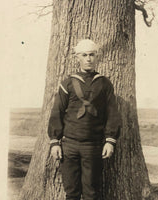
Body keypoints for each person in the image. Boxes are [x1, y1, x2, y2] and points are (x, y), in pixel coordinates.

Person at [48, 39, 121, 200]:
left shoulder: (104, 83)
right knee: (71, 192)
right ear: (77, 57)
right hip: (69, 146)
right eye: (84, 55)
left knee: (91, 193)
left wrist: (110, 140)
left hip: (93, 146)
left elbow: (113, 114)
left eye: (92, 55)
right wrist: (54, 141)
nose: (88, 59)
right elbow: (57, 113)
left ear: (97, 57)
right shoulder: (67, 84)